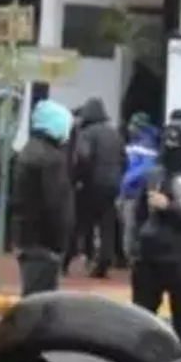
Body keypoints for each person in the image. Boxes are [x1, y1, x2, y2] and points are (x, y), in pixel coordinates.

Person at [130, 123, 181, 352]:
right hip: (149, 257)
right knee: (142, 318)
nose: (171, 147)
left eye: (177, 142)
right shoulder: (154, 173)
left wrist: (170, 207)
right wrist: (135, 246)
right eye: (168, 142)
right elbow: (139, 214)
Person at [11, 99, 75, 296]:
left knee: (32, 298)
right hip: (44, 243)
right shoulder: (51, 159)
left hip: (27, 238)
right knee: (41, 304)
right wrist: (61, 243)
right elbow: (55, 205)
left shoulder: (29, 150)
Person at [69, 98, 126, 279]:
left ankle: (66, 259)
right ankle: (104, 263)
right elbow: (125, 160)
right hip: (112, 186)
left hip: (91, 185)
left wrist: (77, 179)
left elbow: (83, 158)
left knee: (79, 223)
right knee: (107, 225)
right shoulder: (115, 133)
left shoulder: (87, 133)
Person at [118, 117, 160, 266]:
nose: (129, 128)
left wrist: (125, 181)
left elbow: (143, 170)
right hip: (131, 191)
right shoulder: (138, 145)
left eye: (132, 125)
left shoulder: (145, 147)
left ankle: (132, 256)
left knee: (131, 226)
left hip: (134, 192)